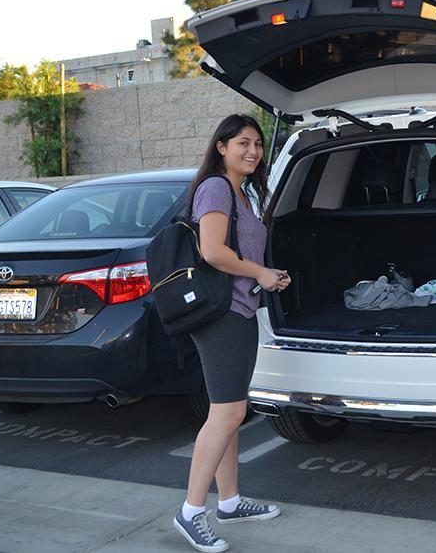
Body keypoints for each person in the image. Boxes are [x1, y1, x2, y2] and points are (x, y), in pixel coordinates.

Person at [173, 114, 290, 553]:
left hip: (240, 310)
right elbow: (214, 251)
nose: (253, 151)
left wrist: (266, 276)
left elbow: (239, 253)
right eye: (243, 142)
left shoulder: (243, 192)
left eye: (258, 144)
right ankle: (190, 512)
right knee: (224, 414)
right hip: (221, 314)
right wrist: (259, 271)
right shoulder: (216, 188)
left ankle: (231, 501)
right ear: (221, 146)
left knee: (232, 413)